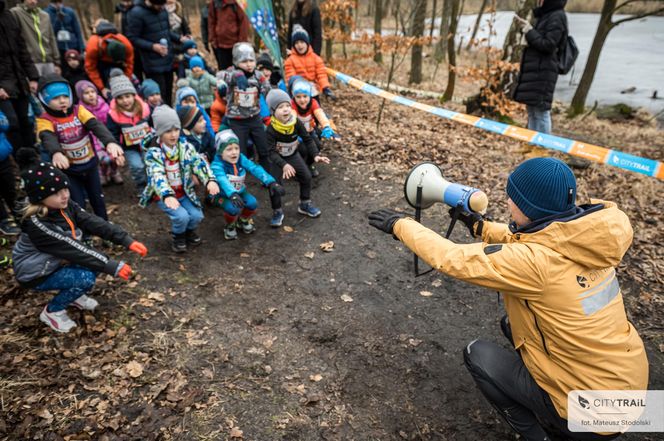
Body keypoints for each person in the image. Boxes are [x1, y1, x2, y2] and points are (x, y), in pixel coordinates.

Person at [368, 157, 649, 441]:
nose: (508, 203)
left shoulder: (535, 264)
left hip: (593, 416)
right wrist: (481, 227)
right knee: (511, 324)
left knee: (477, 355)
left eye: (512, 198)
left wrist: (399, 225)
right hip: (630, 388)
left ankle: (542, 436)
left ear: (528, 207)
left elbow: (451, 258)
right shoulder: (588, 237)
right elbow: (537, 238)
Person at [12, 154, 147, 333]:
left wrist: (125, 239)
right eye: (56, 193)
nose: (64, 195)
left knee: (92, 263)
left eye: (65, 189)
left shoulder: (64, 205)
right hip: (36, 272)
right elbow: (72, 248)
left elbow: (91, 221)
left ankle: (74, 295)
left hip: (57, 260)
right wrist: (111, 265)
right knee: (86, 277)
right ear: (40, 197)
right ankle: (53, 312)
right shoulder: (37, 224)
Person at [35, 74, 125, 222]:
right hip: (70, 171)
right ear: (45, 100)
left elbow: (96, 125)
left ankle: (106, 227)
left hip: (90, 165)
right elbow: (47, 137)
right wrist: (56, 152)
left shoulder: (79, 110)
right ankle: (84, 233)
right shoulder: (44, 120)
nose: (62, 101)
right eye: (55, 98)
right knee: (78, 203)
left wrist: (110, 142)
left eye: (64, 96)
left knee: (98, 199)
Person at [140, 105, 220, 252]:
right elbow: (157, 175)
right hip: (165, 194)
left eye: (176, 129)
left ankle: (188, 232)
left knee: (196, 215)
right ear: (159, 132)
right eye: (168, 131)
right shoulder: (154, 154)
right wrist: (166, 194)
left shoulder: (185, 147)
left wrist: (209, 179)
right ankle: (178, 237)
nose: (173, 135)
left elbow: (198, 162)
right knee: (181, 216)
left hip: (184, 191)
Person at [265, 89, 329, 222]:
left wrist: (316, 155)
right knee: (275, 186)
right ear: (272, 111)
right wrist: (284, 165)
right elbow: (270, 152)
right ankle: (277, 211)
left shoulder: (295, 122)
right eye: (281, 107)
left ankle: (304, 204)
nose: (286, 110)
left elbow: (307, 139)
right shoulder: (270, 129)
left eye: (288, 106)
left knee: (306, 176)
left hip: (292, 155)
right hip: (277, 160)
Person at [211, 130, 284, 238]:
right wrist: (232, 194)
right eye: (229, 149)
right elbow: (222, 179)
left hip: (239, 192)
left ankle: (243, 220)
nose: (234, 152)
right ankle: (230, 226)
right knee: (233, 208)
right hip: (222, 195)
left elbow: (254, 168)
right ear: (220, 152)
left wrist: (271, 182)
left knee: (252, 203)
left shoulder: (240, 158)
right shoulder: (217, 165)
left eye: (236, 148)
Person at [513, 0, 567, 135]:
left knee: (541, 112)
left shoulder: (557, 16)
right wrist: (527, 30)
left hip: (544, 72)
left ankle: (542, 148)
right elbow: (539, 40)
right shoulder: (545, 15)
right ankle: (532, 144)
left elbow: (548, 45)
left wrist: (530, 31)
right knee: (531, 110)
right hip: (535, 70)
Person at [126, 0, 189, 106]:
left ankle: (169, 114)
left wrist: (180, 38)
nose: (162, 7)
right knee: (159, 95)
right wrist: (152, 47)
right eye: (158, 5)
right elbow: (132, 38)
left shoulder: (163, 10)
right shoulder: (136, 13)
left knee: (168, 92)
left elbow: (166, 31)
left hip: (167, 58)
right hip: (152, 62)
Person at [218, 43, 271, 162]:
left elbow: (267, 90)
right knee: (240, 152)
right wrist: (236, 75)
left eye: (251, 60)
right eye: (244, 61)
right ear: (236, 62)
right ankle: (241, 175)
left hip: (255, 117)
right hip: (237, 120)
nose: (248, 64)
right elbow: (220, 75)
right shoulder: (231, 73)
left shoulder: (258, 75)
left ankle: (267, 174)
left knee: (264, 148)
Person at [0, 0, 40, 154]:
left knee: (26, 122)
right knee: (11, 123)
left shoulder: (8, 15)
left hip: (19, 80)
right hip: (2, 87)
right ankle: (18, 163)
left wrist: (33, 77)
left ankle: (32, 160)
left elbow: (22, 48)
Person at [106, 70, 152, 193]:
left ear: (133, 95)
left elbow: (153, 123)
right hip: (129, 147)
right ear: (115, 100)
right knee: (137, 166)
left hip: (147, 143)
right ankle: (141, 186)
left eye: (127, 96)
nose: (125, 101)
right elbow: (113, 134)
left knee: (150, 163)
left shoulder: (144, 108)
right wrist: (117, 154)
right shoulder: (113, 115)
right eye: (120, 98)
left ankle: (153, 184)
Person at [84, 20, 134, 99]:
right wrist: (102, 88)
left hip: (119, 65)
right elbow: (90, 68)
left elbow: (129, 63)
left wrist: (127, 80)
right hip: (100, 64)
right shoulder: (93, 46)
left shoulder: (127, 45)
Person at [284, 25, 335, 102]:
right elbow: (291, 76)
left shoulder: (316, 58)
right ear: (293, 45)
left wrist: (325, 88)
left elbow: (321, 74)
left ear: (307, 43)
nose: (299, 45)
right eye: (296, 43)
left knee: (317, 110)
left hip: (313, 91)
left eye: (302, 42)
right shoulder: (290, 61)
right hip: (299, 92)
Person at [12, 0, 60, 76]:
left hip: (49, 61)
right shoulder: (15, 13)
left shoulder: (45, 15)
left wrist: (57, 62)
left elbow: (51, 38)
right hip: (31, 63)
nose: (33, 1)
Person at [208, 0, 249, 70]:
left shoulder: (237, 3)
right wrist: (213, 39)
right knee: (223, 71)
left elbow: (243, 22)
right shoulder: (214, 3)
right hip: (220, 45)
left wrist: (242, 42)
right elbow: (211, 22)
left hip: (236, 45)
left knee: (238, 70)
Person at [45, 0, 85, 67]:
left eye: (60, 2)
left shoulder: (70, 12)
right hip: (59, 48)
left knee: (79, 67)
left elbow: (77, 31)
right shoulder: (46, 13)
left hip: (73, 45)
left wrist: (82, 48)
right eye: (55, 3)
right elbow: (49, 32)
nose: (58, 5)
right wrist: (58, 20)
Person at [0, 110, 19, 236]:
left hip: (3, 157)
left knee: (9, 187)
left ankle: (18, 212)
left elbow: (6, 123)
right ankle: (4, 219)